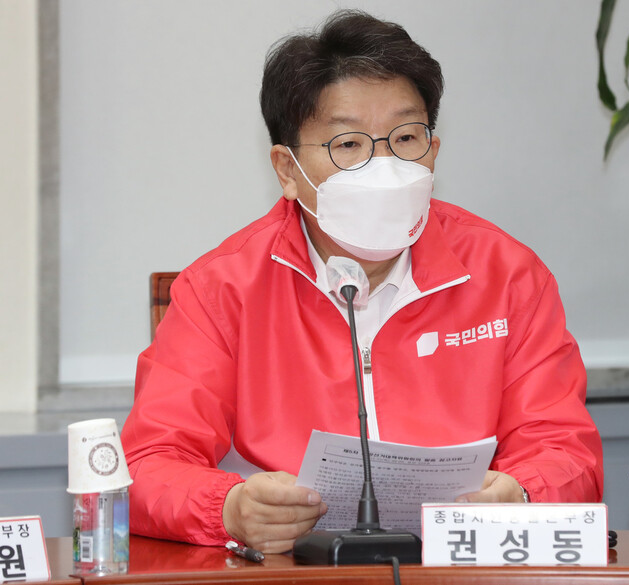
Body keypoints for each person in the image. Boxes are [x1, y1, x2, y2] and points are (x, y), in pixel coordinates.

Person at [121, 9, 603, 555]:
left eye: (405, 137)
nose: (383, 166)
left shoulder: (507, 276)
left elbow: (567, 452)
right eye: (348, 145)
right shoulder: (221, 290)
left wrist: (522, 495)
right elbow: (147, 465)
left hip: (455, 565)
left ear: (433, 152)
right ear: (286, 170)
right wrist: (229, 509)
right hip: (290, 570)